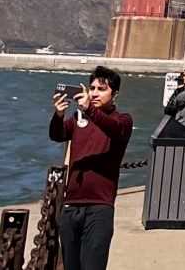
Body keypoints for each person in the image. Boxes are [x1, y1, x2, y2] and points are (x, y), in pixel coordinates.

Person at [49, 66, 134, 270]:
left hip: (99, 206)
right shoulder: (79, 119)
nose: (95, 93)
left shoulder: (123, 120)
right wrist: (59, 115)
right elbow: (57, 135)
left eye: (101, 89)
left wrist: (89, 109)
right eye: (92, 88)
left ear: (115, 94)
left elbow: (113, 129)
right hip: (71, 205)